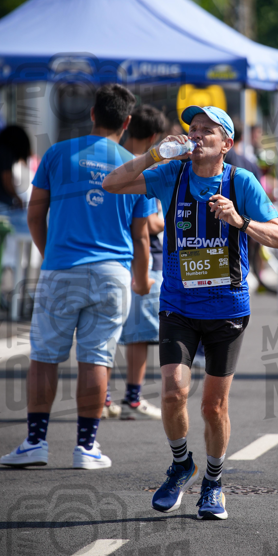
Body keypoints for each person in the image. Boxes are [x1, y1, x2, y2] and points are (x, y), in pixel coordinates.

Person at [103, 105, 278, 520]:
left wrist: (240, 221)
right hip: (178, 305)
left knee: (213, 407)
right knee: (171, 393)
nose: (198, 134)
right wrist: (156, 154)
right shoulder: (172, 176)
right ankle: (181, 463)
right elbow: (112, 183)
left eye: (208, 130)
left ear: (227, 144)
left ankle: (213, 482)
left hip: (227, 309)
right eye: (193, 129)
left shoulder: (241, 182)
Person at [0, 84, 153, 470]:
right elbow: (142, 237)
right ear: (127, 122)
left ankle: (35, 442)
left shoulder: (56, 153)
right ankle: (87, 447)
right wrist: (142, 280)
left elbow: (35, 215)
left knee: (45, 357)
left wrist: (52, 255)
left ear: (92, 114)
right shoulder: (136, 165)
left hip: (61, 268)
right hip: (113, 274)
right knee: (96, 359)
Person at [117, 104, 168, 420]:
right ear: (153, 137)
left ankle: (107, 398)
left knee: (104, 336)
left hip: (103, 257)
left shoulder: (107, 164)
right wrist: (160, 219)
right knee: (139, 333)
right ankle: (133, 398)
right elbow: (147, 226)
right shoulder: (142, 168)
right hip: (139, 261)